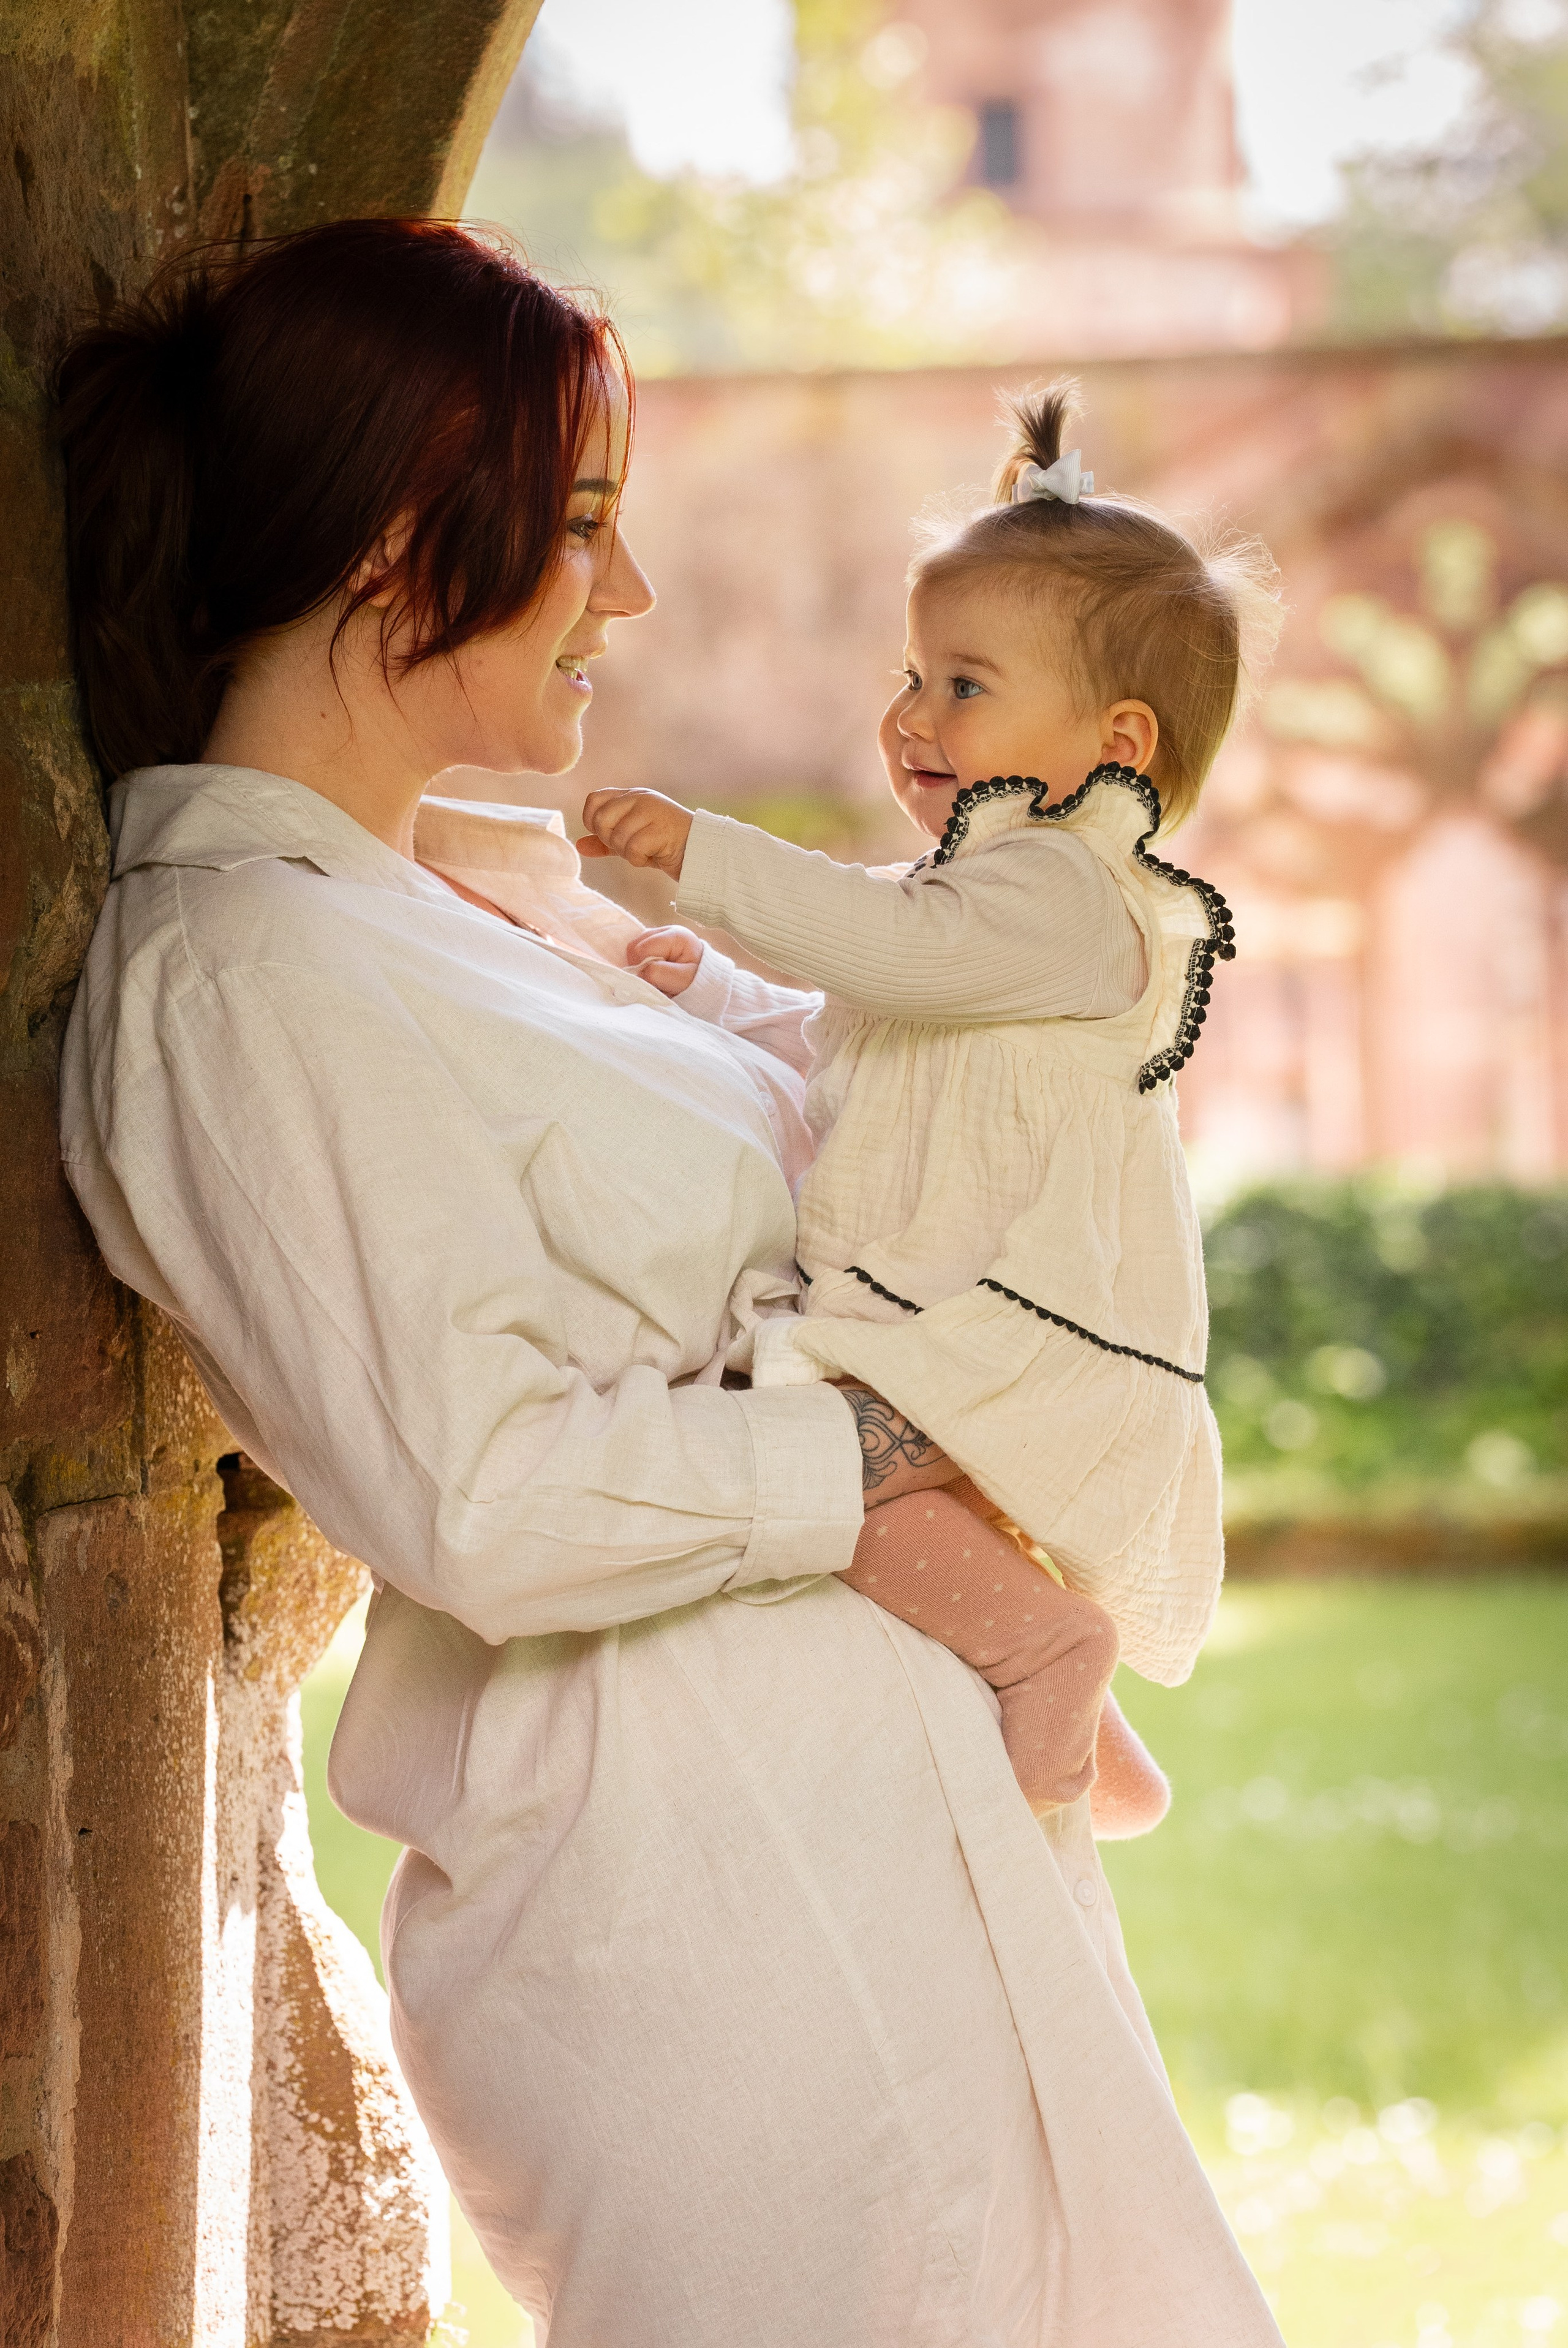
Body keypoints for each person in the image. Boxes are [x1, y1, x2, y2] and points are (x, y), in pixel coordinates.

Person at [54, 221, 1283, 2346]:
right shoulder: (240, 976)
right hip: (724, 1940)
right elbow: (486, 1492)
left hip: (899, 1884)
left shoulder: (451, 913)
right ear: (392, 541)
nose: (622, 595)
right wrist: (881, 1452)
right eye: (584, 527)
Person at [580, 384, 1278, 1831]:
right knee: (879, 1484)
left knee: (816, 1470)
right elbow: (863, 1014)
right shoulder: (976, 904)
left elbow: (884, 955)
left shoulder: (1077, 897)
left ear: (1120, 742)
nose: (910, 718)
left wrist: (707, 862)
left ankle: (1044, 1649)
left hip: (1018, 1325)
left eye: (964, 685)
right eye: (910, 678)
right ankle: (1081, 1716)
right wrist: (709, 986)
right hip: (964, 1318)